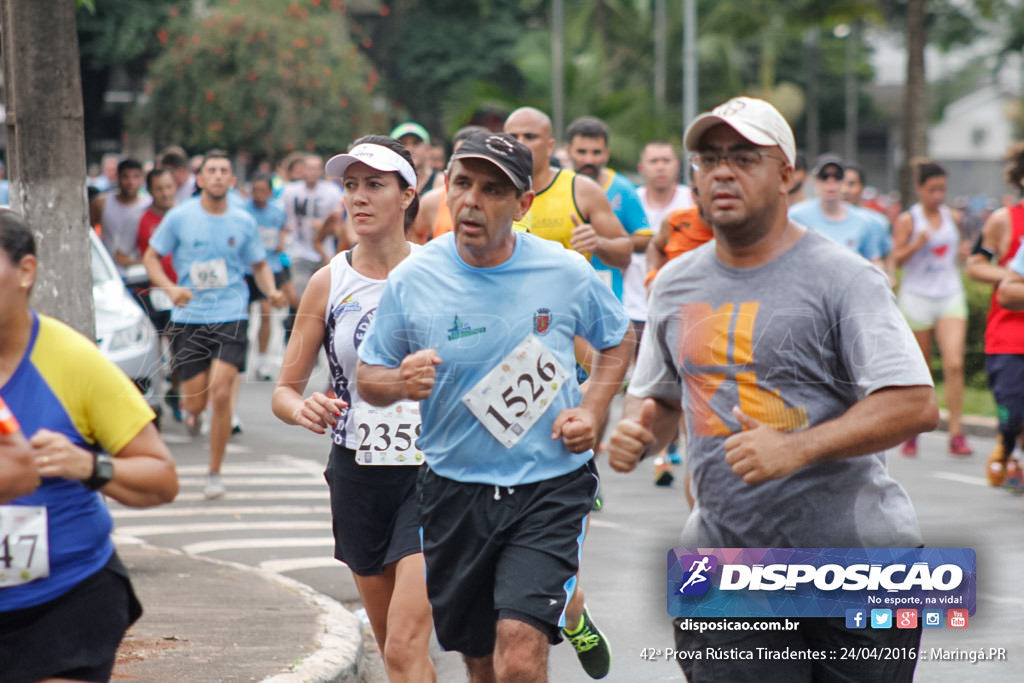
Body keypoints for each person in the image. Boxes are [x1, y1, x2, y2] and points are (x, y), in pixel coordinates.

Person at [607, 96, 937, 683]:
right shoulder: (676, 283)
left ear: (787, 174)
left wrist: (798, 447)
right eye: (708, 160)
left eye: (743, 157)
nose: (722, 172)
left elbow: (914, 403)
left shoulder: (844, 277)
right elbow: (660, 395)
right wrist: (638, 429)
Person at [357, 132, 634, 682]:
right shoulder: (415, 278)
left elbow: (617, 339)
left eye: (492, 189)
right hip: (453, 490)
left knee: (520, 650)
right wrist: (397, 382)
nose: (471, 201)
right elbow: (369, 376)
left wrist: (595, 410)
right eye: (462, 184)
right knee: (480, 659)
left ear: (523, 203)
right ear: (445, 187)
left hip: (549, 486)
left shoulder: (563, 271)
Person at [272, 136, 435, 683]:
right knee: (392, 648)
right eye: (350, 186)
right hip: (358, 475)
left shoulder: (440, 272)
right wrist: (304, 409)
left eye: (375, 185)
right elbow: (283, 391)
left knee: (409, 643)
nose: (359, 197)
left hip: (432, 472)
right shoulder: (328, 282)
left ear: (408, 194)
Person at [0, 208, 178, 682]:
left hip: (65, 601)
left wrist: (90, 466)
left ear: (26, 271)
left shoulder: (73, 361)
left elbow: (162, 478)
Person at [144, 150, 286, 499]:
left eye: (225, 170)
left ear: (232, 180)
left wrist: (271, 292)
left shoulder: (243, 220)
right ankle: (194, 413)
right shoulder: (180, 217)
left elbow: (259, 264)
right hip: (189, 317)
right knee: (195, 402)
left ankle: (214, 472)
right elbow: (151, 256)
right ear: (201, 179)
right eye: (212, 171)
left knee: (222, 394)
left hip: (231, 312)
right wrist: (170, 288)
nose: (219, 176)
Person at [891, 159, 973, 457]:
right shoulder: (908, 221)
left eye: (943, 190)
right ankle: (915, 430)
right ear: (919, 189)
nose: (938, 196)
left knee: (954, 364)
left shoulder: (953, 217)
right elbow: (896, 260)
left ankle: (956, 433)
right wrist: (916, 244)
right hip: (917, 298)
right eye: (932, 190)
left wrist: (964, 254)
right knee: (922, 369)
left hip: (949, 294)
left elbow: (959, 253)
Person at [503, 107, 632, 270]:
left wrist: (598, 243)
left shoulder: (581, 189)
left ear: (550, 146)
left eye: (530, 137)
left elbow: (625, 253)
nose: (520, 143)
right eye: (512, 137)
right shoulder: (490, 191)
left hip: (568, 294)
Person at [565, 116, 651, 302]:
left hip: (608, 290)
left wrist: (604, 242)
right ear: (568, 151)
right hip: (565, 289)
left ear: (606, 154)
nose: (589, 159)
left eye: (596, 152)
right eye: (582, 152)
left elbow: (645, 237)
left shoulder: (623, 189)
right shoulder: (558, 186)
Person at [633, 140, 694, 338]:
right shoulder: (630, 200)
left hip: (680, 305)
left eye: (666, 161)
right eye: (654, 161)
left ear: (677, 166)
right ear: (641, 167)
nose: (660, 166)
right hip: (633, 305)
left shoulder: (692, 200)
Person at [280, 154, 344, 317]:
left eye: (316, 168)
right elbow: (283, 219)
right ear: (303, 170)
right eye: (309, 168)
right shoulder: (290, 192)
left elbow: (338, 223)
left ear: (321, 171)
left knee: (325, 299)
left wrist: (324, 227)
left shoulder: (332, 192)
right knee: (299, 298)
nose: (312, 172)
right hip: (299, 250)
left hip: (324, 251)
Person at [243, 173, 292, 381]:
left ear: (271, 192)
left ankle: (262, 362)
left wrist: (281, 240)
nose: (259, 194)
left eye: (263, 190)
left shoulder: (277, 211)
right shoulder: (243, 212)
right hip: (246, 270)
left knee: (266, 312)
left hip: (269, 267)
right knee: (242, 317)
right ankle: (240, 356)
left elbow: (283, 228)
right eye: (255, 190)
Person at [788, 154, 880, 264]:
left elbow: (873, 262)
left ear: (843, 180)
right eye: (824, 176)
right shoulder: (795, 216)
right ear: (815, 180)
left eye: (837, 176)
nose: (831, 182)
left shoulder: (864, 221)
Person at [408, 124, 489, 244]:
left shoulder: (502, 200)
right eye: (459, 154)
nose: (465, 162)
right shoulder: (432, 201)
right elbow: (414, 239)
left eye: (473, 156)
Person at [90, 158, 152, 276]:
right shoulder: (101, 203)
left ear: (142, 179)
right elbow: (89, 234)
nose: (130, 182)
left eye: (136, 177)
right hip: (108, 270)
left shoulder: (149, 204)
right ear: (117, 177)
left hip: (139, 271)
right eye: (125, 177)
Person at [842, 162, 893, 274]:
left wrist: (890, 276)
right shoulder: (826, 220)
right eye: (841, 183)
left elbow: (887, 255)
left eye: (851, 184)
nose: (845, 190)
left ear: (862, 187)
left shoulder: (877, 221)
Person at [391, 121, 440, 194]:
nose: (410, 149)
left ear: (428, 149)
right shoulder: (387, 186)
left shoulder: (441, 184)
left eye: (416, 143)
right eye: (403, 143)